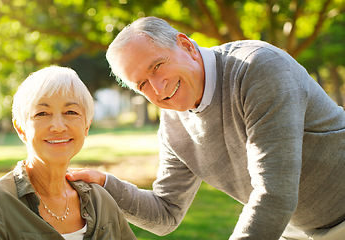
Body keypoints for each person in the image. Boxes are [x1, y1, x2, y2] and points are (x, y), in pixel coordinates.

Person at [67, 16, 345, 240]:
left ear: (186, 46)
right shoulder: (174, 126)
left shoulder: (259, 68)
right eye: (142, 84)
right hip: (291, 228)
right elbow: (166, 213)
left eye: (157, 65)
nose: (158, 87)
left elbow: (275, 192)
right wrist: (105, 184)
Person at [0, 66, 136, 240]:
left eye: (71, 112)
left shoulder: (100, 200)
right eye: (42, 113)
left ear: (86, 126)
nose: (58, 126)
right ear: (21, 128)